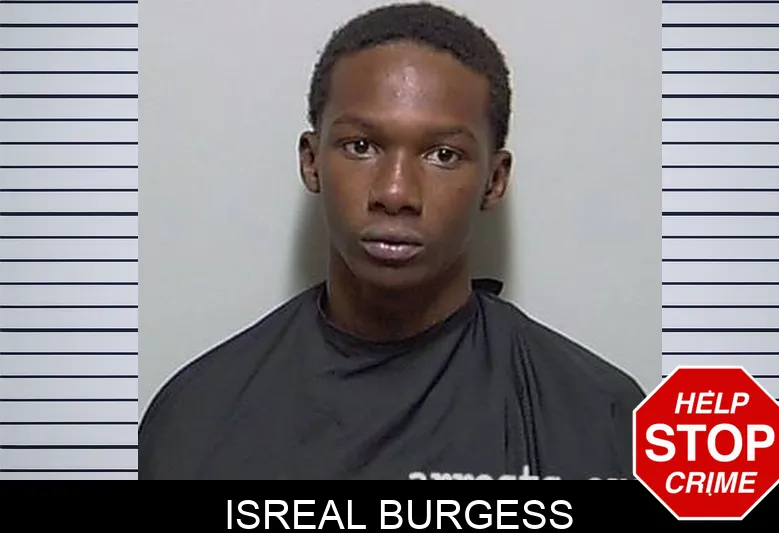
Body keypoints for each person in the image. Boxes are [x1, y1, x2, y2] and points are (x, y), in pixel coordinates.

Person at [138, 1, 645, 480]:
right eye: (361, 146)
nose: (396, 192)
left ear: (494, 180)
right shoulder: (196, 417)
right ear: (312, 162)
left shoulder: (603, 417)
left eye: (443, 155)